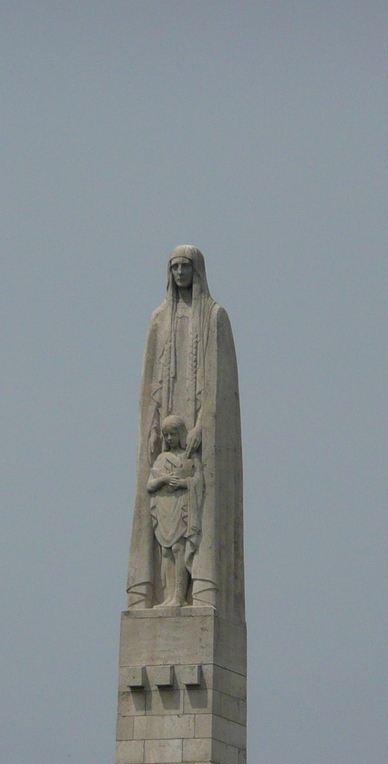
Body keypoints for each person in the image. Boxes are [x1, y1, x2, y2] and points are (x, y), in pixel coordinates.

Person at [125, 246, 245, 619]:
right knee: (162, 525)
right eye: (174, 267)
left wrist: (204, 424)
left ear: (198, 271)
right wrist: (152, 427)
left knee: (198, 515)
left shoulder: (214, 317)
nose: (179, 273)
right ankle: (164, 592)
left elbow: (219, 383)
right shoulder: (159, 320)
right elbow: (150, 385)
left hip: (199, 431)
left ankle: (197, 591)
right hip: (166, 433)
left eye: (185, 267)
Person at [145, 415, 202, 608]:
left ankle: (179, 595)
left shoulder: (189, 456)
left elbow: (198, 481)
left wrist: (182, 483)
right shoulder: (161, 458)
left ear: (180, 434)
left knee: (179, 548)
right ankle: (168, 596)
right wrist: (164, 480)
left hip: (181, 505)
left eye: (172, 434)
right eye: (166, 435)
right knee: (166, 552)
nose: (169, 439)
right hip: (164, 507)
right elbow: (150, 485)